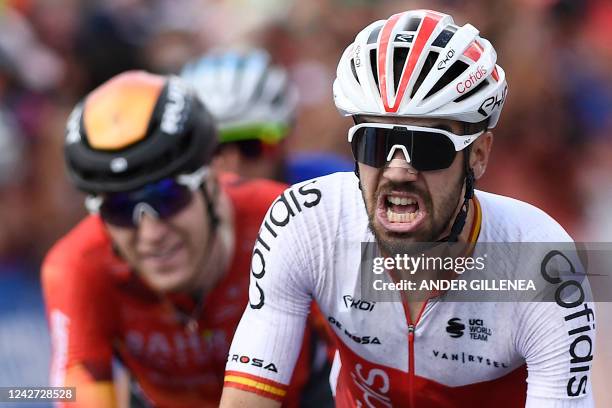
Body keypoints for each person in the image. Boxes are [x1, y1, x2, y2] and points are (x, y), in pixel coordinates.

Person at [219, 9, 596, 408]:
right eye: (375, 143)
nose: (398, 170)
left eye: (428, 148)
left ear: (479, 156)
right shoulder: (308, 222)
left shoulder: (543, 265)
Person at [42, 71, 319, 407]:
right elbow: (75, 388)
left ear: (214, 178)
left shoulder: (294, 221)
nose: (151, 234)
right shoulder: (76, 265)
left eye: (168, 197)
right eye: (119, 208)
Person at [180, 48, 352, 183]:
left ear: (286, 138)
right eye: (212, 151)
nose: (233, 167)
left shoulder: (333, 183)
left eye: (251, 146)